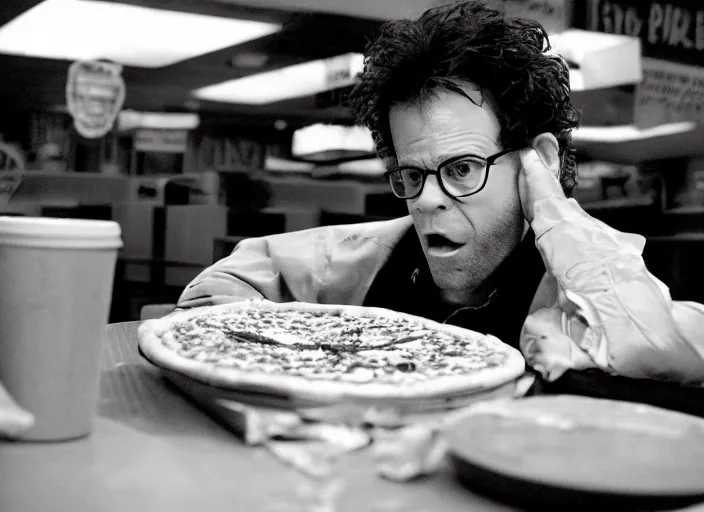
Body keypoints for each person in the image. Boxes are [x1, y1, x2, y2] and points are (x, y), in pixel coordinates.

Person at [177, 1, 704, 388]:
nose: (427, 200)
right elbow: (215, 289)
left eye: (462, 168)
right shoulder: (367, 258)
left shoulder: (587, 292)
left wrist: (556, 213)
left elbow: (655, 349)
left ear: (534, 161)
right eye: (412, 174)